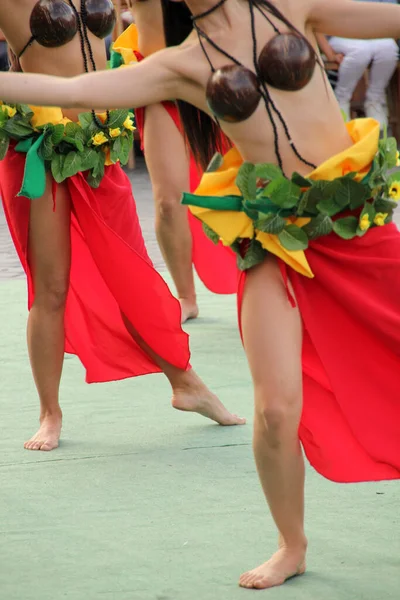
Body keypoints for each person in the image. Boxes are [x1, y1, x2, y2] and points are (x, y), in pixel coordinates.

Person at [1, 0, 400, 590]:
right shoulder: (183, 62)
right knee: (273, 411)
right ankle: (292, 543)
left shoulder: (292, 7)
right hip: (274, 243)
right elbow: (85, 89)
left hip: (354, 227)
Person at [0, 0, 245, 453]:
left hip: (100, 151)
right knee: (51, 288)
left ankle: (185, 385)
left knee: (131, 273)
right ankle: (49, 412)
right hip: (40, 151)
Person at [111, 1, 238, 322]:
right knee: (168, 201)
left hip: (216, 74)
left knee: (248, 186)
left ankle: (273, 280)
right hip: (159, 83)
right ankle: (186, 295)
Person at [318, 0, 399, 128]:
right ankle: (341, 99)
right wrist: (330, 54)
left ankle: (375, 100)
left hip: (376, 35)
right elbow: (315, 21)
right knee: (360, 52)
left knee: (389, 50)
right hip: (341, 35)